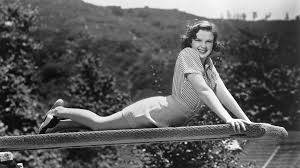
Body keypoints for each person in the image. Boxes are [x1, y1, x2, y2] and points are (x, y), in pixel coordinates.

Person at [39, 20, 251, 134]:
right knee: (99, 124)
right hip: (154, 111)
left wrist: (247, 121)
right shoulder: (188, 55)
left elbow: (223, 93)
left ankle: (57, 123)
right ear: (190, 41)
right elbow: (204, 90)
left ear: (214, 44)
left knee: (100, 127)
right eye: (198, 40)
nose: (203, 46)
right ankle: (58, 110)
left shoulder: (208, 65)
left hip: (164, 117)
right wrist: (228, 119)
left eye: (208, 42)